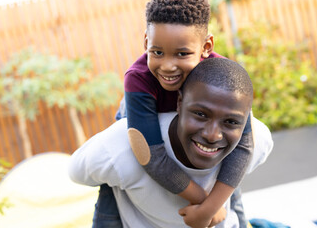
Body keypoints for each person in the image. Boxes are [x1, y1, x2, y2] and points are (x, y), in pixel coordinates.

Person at [94, 0, 258, 227]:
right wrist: (206, 205)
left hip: (193, 141)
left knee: (227, 174)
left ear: (206, 46)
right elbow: (149, 154)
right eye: (157, 52)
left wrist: (214, 205)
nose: (168, 66)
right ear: (146, 42)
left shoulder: (223, 77)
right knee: (113, 183)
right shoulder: (138, 80)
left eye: (182, 53)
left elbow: (243, 145)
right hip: (142, 128)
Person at [69, 58, 274, 228]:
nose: (213, 135)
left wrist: (212, 206)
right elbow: (75, 171)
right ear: (179, 103)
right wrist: (207, 205)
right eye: (201, 114)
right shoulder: (119, 150)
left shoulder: (256, 141)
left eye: (230, 121)